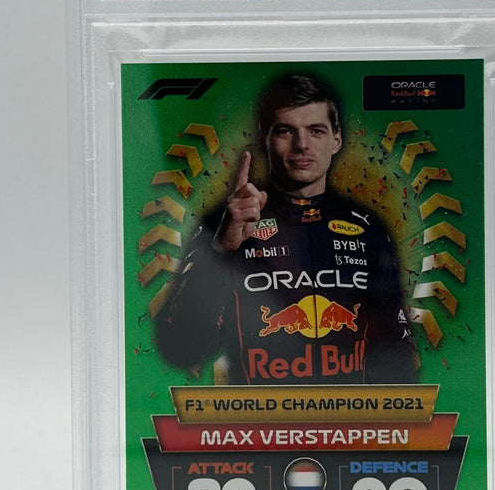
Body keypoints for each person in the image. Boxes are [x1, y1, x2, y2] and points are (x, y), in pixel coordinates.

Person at [155, 73, 417, 385]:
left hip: (348, 415)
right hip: (259, 415)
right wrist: (220, 251)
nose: (302, 145)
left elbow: (395, 354)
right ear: (264, 140)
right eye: (285, 131)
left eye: (316, 131)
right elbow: (182, 349)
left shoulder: (368, 228)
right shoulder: (223, 223)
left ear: (336, 140)